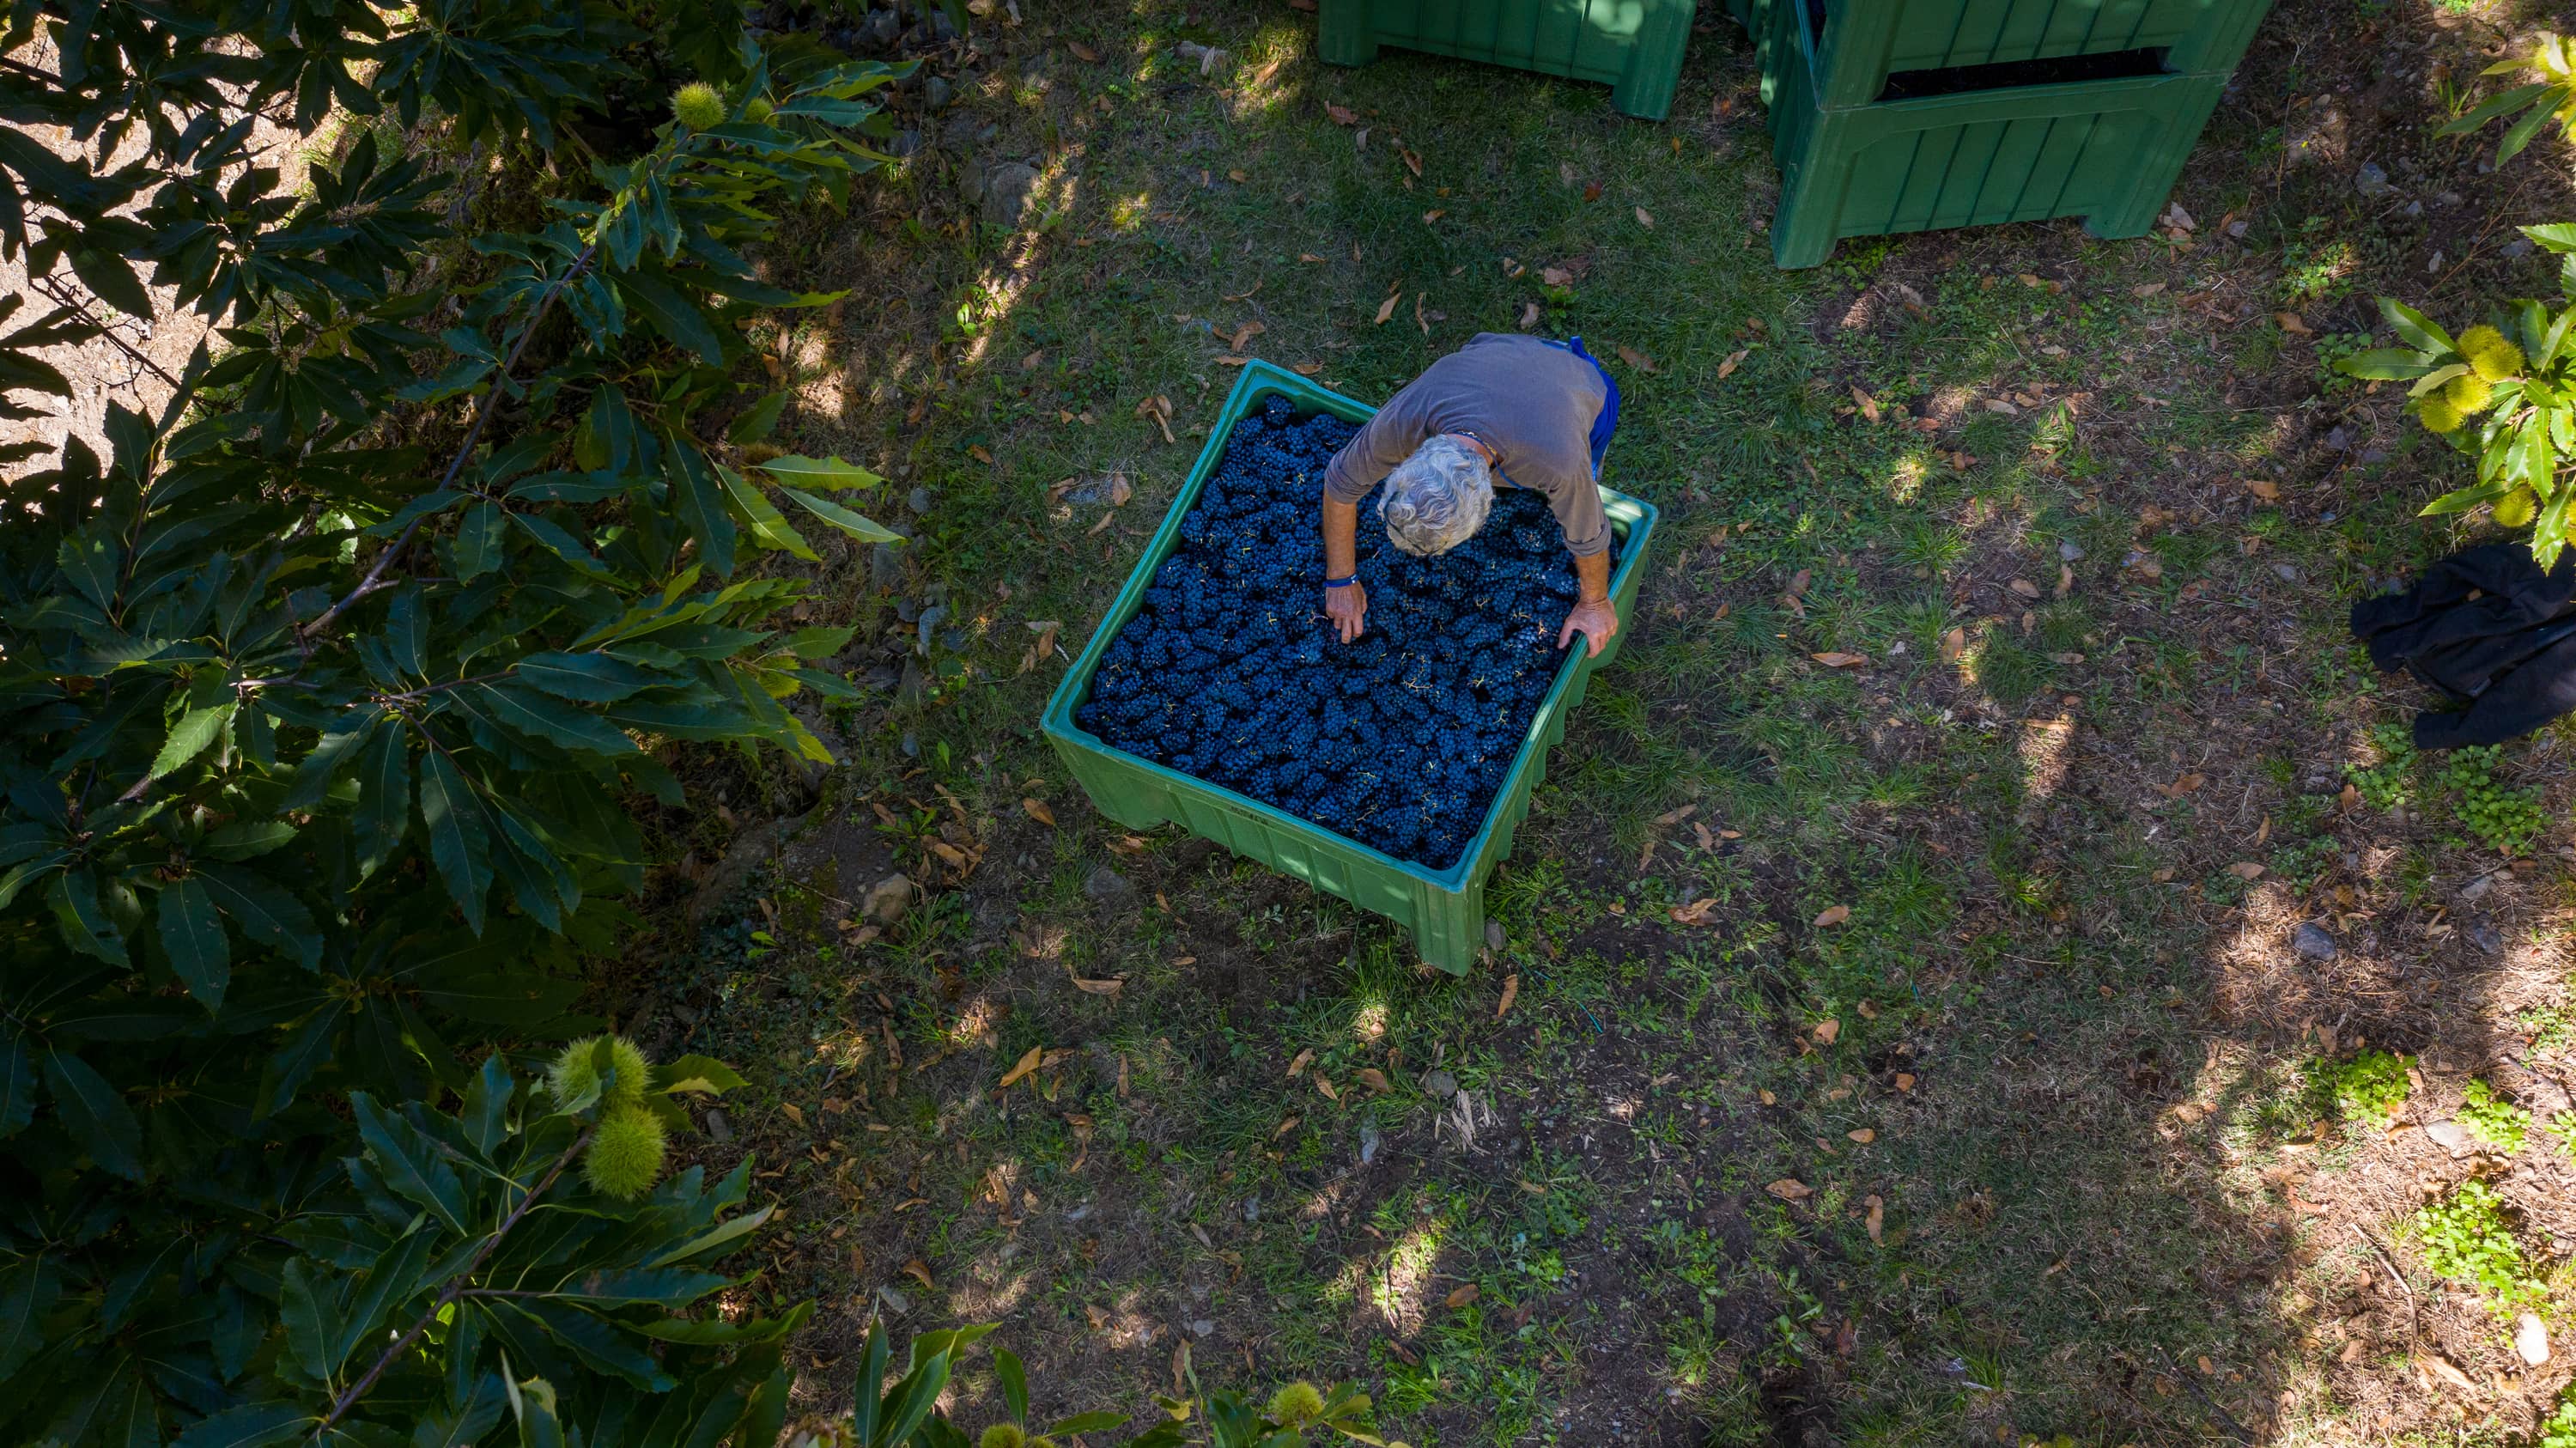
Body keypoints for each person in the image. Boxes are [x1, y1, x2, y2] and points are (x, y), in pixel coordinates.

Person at [1318, 332, 1623, 656]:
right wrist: (1340, 578)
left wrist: (1595, 603)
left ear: (1488, 503)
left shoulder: (1558, 461)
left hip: (1580, 384)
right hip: (1502, 356)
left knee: (1582, 483)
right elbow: (1340, 483)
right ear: (1413, 457)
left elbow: (1589, 536)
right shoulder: (1408, 419)